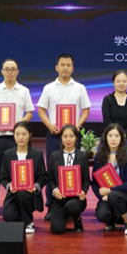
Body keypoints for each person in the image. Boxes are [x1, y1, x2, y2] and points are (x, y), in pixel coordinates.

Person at [37, 53, 91, 220]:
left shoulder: (80, 88)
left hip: (73, 136)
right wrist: (49, 125)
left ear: (72, 68)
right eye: (62, 64)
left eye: (68, 65)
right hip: (54, 134)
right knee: (53, 170)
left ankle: (72, 204)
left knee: (74, 168)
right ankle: (52, 205)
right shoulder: (48, 88)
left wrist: (78, 125)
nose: (65, 68)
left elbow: (86, 110)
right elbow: (41, 110)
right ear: (57, 67)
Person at [0, 58, 35, 222]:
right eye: (7, 69)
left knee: (18, 171)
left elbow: (29, 113)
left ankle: (17, 204)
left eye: (13, 69)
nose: (9, 72)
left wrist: (19, 125)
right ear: (2, 71)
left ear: (17, 72)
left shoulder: (24, 91)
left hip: (17, 138)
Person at [0, 121, 48, 234]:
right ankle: (20, 215)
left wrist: (35, 187)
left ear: (30, 135)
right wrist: (9, 186)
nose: (20, 137)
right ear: (13, 135)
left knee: (23, 193)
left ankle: (28, 222)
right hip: (13, 195)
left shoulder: (37, 154)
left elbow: (43, 177)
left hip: (30, 195)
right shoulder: (8, 154)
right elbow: (3, 177)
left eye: (24, 134)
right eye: (17, 134)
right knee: (9, 216)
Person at [92, 123, 127, 236]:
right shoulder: (99, 156)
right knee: (102, 215)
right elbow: (95, 182)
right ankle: (112, 218)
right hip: (107, 197)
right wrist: (101, 196)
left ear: (121, 137)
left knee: (114, 196)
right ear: (105, 137)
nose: (113, 139)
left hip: (124, 196)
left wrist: (110, 191)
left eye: (116, 136)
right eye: (110, 135)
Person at [47, 125, 90, 234]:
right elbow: (50, 179)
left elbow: (86, 179)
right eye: (65, 136)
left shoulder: (83, 155)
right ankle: (63, 215)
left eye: (71, 136)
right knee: (57, 229)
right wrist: (54, 190)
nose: (68, 139)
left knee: (72, 206)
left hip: (77, 198)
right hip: (60, 198)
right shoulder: (54, 156)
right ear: (61, 137)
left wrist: (84, 191)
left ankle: (77, 219)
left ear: (76, 137)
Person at [101, 70, 127, 153]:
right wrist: (116, 134)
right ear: (113, 82)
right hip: (111, 140)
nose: (121, 84)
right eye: (118, 81)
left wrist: (124, 134)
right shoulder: (107, 99)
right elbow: (107, 120)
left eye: (124, 81)